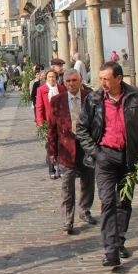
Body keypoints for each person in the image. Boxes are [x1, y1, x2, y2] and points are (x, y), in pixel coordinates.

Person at [77, 61, 138, 267]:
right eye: (100, 78)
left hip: (129, 157)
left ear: (119, 79)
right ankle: (110, 250)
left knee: (124, 202)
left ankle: (119, 240)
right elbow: (82, 130)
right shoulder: (93, 99)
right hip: (105, 157)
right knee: (108, 202)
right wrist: (96, 153)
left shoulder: (135, 96)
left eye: (106, 79)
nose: (102, 83)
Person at [47, 69, 95, 234]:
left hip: (87, 147)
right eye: (68, 81)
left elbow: (98, 122)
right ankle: (68, 219)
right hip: (66, 148)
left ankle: (85, 210)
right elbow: (51, 128)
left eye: (74, 80)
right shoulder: (57, 100)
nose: (71, 84)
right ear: (64, 83)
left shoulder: (90, 97)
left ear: (80, 80)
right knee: (67, 186)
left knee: (88, 182)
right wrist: (52, 151)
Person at [35, 69, 66, 179]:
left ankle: (60, 168)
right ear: (46, 78)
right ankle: (51, 169)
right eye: (49, 77)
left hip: (61, 122)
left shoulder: (61, 89)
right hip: (48, 122)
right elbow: (39, 107)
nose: (52, 79)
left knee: (61, 144)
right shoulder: (41, 90)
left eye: (53, 77)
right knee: (51, 146)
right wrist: (40, 121)